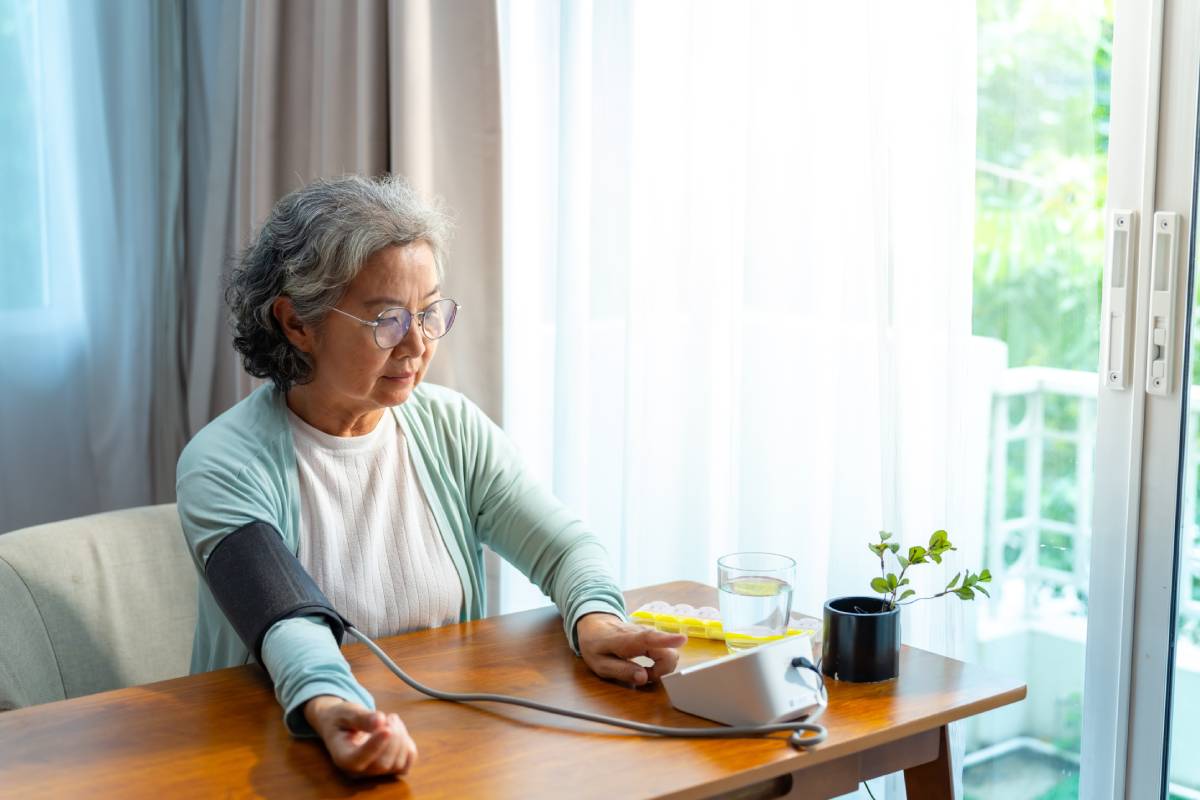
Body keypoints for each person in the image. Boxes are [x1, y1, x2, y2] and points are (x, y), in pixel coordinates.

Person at [175, 174, 686, 778]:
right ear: (297, 323)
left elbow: (563, 546)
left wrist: (598, 620)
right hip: (276, 751)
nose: (416, 344)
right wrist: (337, 707)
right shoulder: (222, 464)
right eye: (386, 320)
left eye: (428, 312)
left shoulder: (452, 427)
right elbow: (288, 621)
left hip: (448, 745)